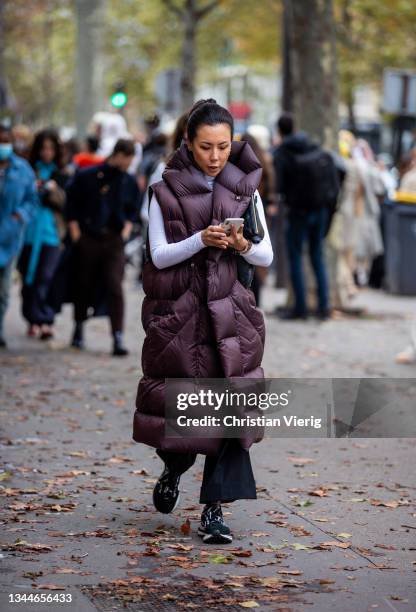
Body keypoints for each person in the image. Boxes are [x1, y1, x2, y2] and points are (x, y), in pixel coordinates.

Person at [133, 99, 273, 544]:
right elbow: (158, 254)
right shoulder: (164, 189)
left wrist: (241, 245)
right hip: (183, 320)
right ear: (188, 144)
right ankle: (172, 470)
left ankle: (215, 512)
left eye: (224, 146)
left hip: (232, 316)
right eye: (206, 147)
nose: (216, 157)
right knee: (184, 418)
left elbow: (266, 253)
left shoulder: (247, 188)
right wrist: (201, 238)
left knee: (231, 414)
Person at [65, 139, 140, 356]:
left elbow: (133, 209)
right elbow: (73, 203)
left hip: (114, 239)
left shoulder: (128, 181)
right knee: (83, 284)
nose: (129, 163)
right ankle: (78, 328)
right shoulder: (88, 175)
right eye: (128, 158)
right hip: (89, 237)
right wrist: (76, 233)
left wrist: (126, 229)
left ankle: (117, 336)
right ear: (120, 155)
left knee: (114, 286)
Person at [273, 113, 338, 320]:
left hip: (298, 211)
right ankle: (323, 306)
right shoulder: (313, 146)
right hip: (319, 210)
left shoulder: (282, 152)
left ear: (279, 130)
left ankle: (300, 307)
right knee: (317, 256)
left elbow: (280, 186)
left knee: (295, 257)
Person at [18, 129, 67, 340]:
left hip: (52, 234)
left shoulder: (62, 174)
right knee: (28, 277)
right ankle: (32, 318)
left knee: (46, 277)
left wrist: (52, 190)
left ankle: (45, 319)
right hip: (26, 234)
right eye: (43, 148)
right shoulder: (27, 171)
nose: (47, 152)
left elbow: (65, 203)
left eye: (51, 148)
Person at [0, 123, 38, 347]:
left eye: (5, 141)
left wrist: (19, 215)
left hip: (9, 238)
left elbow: (32, 201)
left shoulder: (22, 169)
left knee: (4, 289)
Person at [240, 131, 277, 306]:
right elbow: (271, 182)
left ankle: (252, 296)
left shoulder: (241, 163)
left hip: (246, 210)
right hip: (259, 210)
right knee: (258, 253)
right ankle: (257, 299)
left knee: (250, 256)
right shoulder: (263, 160)